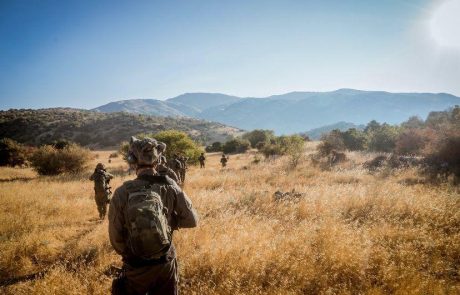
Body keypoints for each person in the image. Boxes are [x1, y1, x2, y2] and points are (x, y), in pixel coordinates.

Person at [109, 136, 198, 295]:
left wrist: (133, 254)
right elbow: (192, 220)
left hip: (136, 267)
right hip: (165, 262)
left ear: (132, 160)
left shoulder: (121, 193)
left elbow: (116, 239)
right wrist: (167, 223)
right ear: (158, 160)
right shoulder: (170, 186)